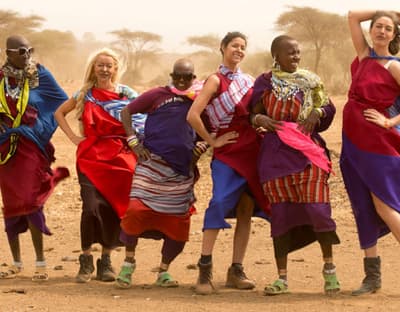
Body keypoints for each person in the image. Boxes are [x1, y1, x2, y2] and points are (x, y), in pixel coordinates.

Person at [249, 35, 340, 295]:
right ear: (275, 55)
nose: (296, 57)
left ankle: (330, 270)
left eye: (298, 52)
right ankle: (282, 278)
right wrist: (261, 119)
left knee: (319, 210)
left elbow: (327, 107)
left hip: (308, 155)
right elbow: (251, 114)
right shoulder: (264, 82)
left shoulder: (311, 81)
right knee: (281, 216)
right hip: (275, 157)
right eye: (290, 53)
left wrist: (318, 112)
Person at [186, 31, 270, 295]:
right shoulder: (214, 80)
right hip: (228, 151)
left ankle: (236, 269)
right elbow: (193, 115)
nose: (239, 50)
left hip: (251, 150)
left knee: (246, 209)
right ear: (222, 48)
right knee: (219, 202)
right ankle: (204, 267)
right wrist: (212, 141)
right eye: (234, 45)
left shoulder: (249, 81)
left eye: (243, 47)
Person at [115, 58, 208, 289]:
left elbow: (210, 128)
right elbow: (126, 112)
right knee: (136, 210)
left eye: (187, 77)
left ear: (193, 78)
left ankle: (164, 271)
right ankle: (128, 263)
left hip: (182, 170)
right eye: (178, 76)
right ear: (171, 75)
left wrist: (202, 147)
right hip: (151, 163)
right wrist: (133, 140)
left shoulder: (199, 100)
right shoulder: (157, 94)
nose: (182, 81)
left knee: (177, 222)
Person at [341, 10, 400, 296]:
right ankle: (372, 277)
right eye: (378, 27)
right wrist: (390, 12)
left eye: (388, 28)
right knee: (363, 206)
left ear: (394, 36)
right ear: (371, 31)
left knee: (383, 204)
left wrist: (391, 121)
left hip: (376, 143)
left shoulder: (394, 66)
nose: (382, 31)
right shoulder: (363, 56)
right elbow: (351, 16)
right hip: (352, 142)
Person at [54, 48, 145, 283]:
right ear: (93, 68)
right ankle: (85, 261)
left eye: (109, 65)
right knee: (90, 206)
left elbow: (143, 118)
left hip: (120, 158)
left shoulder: (126, 93)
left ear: (115, 69)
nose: (104, 69)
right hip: (90, 157)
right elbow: (59, 113)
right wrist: (74, 138)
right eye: (100, 65)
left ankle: (105, 261)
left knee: (114, 208)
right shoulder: (85, 93)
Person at [0, 35, 69, 281]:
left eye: (30, 49)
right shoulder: (0, 78)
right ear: (8, 53)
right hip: (6, 149)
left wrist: (39, 125)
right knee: (11, 204)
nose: (27, 54)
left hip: (31, 147)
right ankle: (16, 262)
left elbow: (62, 101)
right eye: (21, 51)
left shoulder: (40, 75)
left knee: (30, 202)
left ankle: (41, 262)